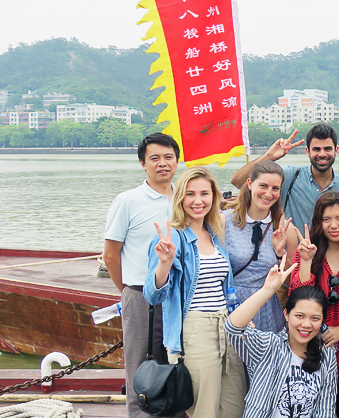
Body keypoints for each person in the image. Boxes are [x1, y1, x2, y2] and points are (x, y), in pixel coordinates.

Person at [144, 167, 246, 418]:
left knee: (235, 406)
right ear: (180, 198)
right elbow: (152, 295)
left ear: (214, 197)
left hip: (228, 326)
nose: (198, 201)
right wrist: (164, 264)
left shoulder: (215, 235)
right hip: (196, 329)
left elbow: (226, 288)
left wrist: (241, 317)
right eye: (190, 194)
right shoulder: (172, 239)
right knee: (204, 410)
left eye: (204, 193)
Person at [103, 132, 180, 418]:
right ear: (142, 163)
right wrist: (129, 291)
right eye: (155, 158)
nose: (162, 164)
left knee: (176, 367)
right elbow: (110, 255)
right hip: (141, 297)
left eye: (168, 157)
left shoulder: (186, 198)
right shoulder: (128, 201)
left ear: (177, 161)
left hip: (180, 296)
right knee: (141, 370)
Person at [290, 192, 339, 418]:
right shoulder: (307, 251)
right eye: (326, 220)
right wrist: (305, 261)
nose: (334, 225)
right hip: (310, 346)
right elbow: (298, 297)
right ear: (318, 222)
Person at [226, 260, 338, 418]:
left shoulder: (327, 356)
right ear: (286, 314)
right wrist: (268, 290)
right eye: (299, 316)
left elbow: (326, 410)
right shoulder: (268, 346)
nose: (306, 324)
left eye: (315, 318)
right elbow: (233, 328)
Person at [231, 123, 339, 233]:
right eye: (316, 149)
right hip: (289, 254)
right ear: (308, 151)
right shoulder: (291, 176)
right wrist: (269, 156)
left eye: (327, 149)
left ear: (336, 151)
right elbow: (238, 182)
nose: (322, 154)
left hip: (327, 256)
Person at [224, 160, 298, 333]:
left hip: (266, 309)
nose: (268, 194)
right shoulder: (225, 221)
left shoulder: (286, 230)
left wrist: (281, 254)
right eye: (263, 186)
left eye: (275, 188)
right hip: (232, 304)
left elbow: (291, 282)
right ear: (250, 184)